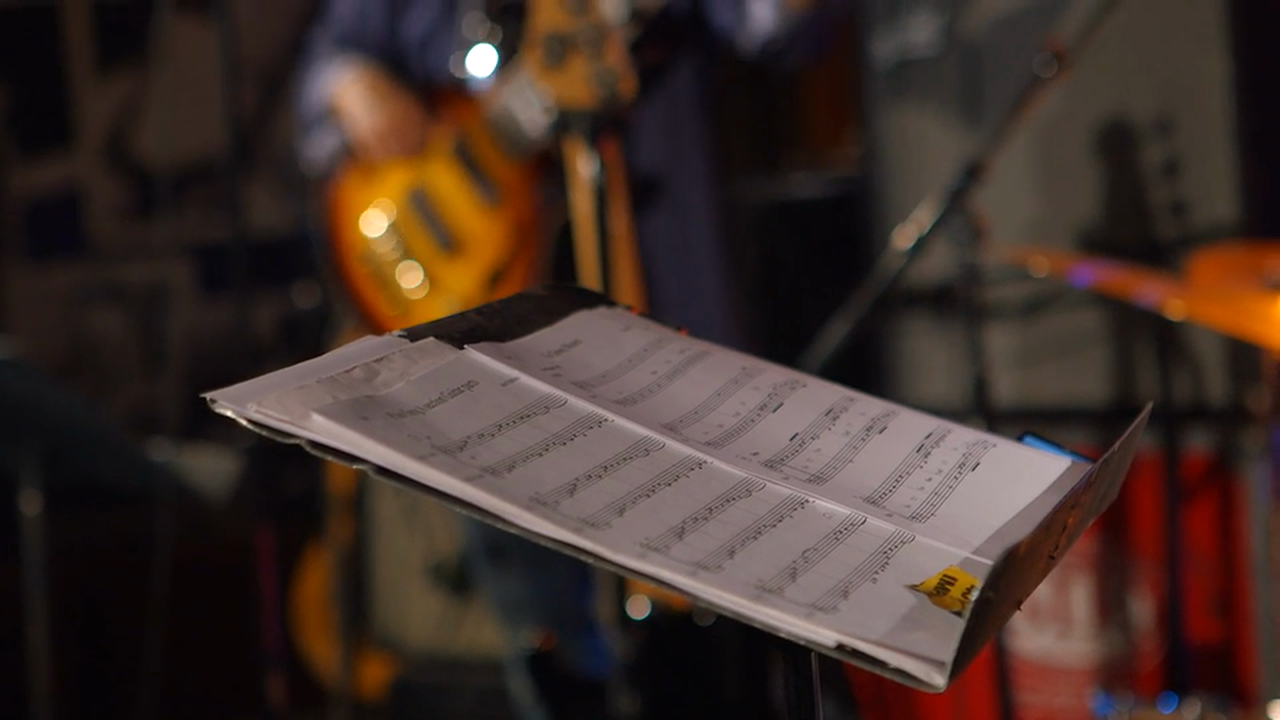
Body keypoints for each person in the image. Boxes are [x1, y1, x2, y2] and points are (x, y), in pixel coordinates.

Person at [292, 0, 844, 717]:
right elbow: (327, 65)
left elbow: (782, 27)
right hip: (489, 363)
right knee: (550, 656)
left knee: (710, 651)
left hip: (663, 318)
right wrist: (349, 84)